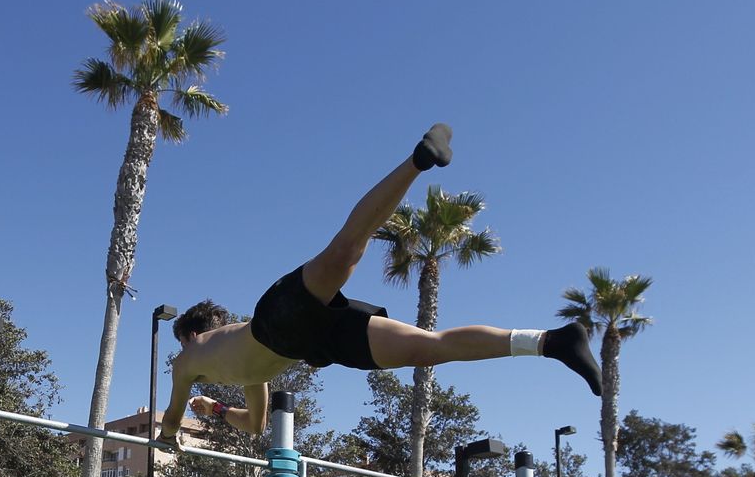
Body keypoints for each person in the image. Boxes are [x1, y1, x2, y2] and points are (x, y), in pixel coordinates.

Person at [155, 124, 601, 445]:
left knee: (346, 249)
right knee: (428, 348)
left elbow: (171, 419)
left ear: (189, 335)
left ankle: (419, 159)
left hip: (277, 322)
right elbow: (255, 426)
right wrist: (216, 409)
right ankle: (552, 342)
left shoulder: (189, 356)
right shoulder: (245, 370)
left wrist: (169, 438)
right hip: (313, 343)